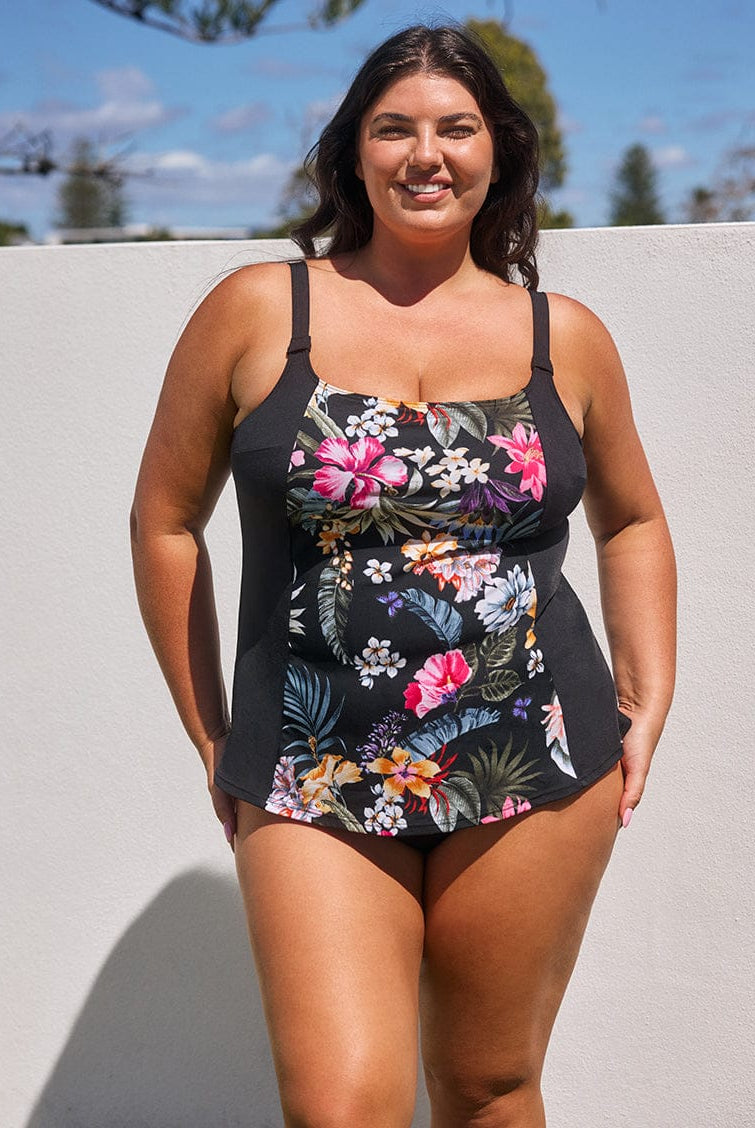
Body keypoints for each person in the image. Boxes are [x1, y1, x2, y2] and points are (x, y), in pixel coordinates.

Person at [130, 22, 676, 1128]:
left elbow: (632, 520)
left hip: (534, 753)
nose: (425, 155)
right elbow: (164, 521)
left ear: (498, 151)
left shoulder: (563, 336)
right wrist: (210, 732)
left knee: (488, 1087)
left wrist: (645, 691)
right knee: (342, 1107)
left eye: (455, 128)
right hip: (307, 764)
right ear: (351, 151)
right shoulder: (258, 311)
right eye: (393, 129)